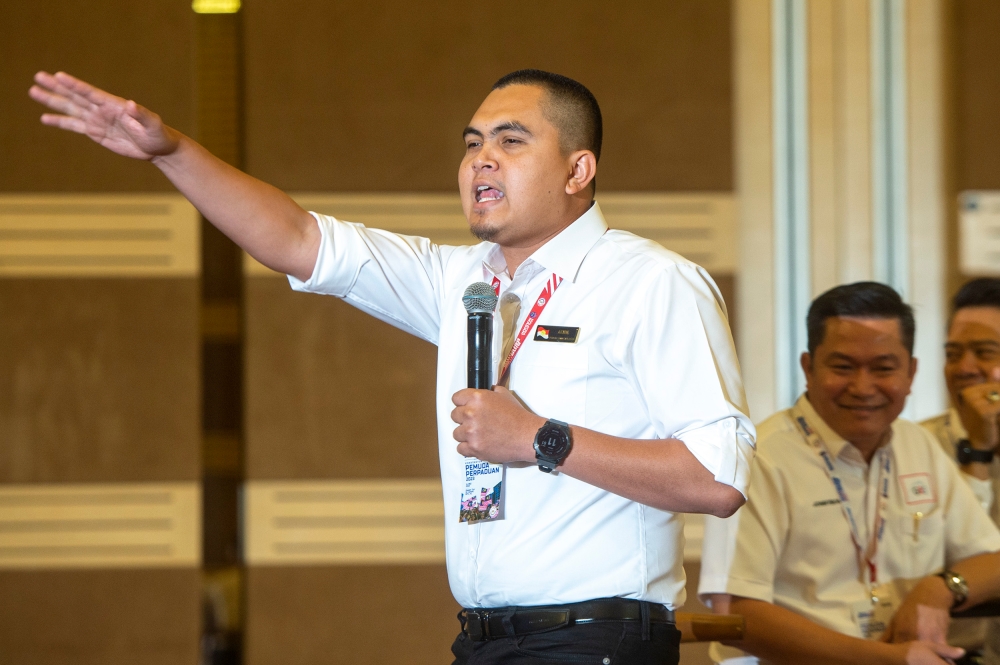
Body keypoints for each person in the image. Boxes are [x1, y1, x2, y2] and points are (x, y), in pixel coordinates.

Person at [30, 68, 756, 664]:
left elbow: (717, 479)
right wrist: (170, 152)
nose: (481, 160)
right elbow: (294, 238)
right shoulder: (461, 281)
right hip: (481, 640)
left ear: (579, 168)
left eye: (510, 141)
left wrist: (540, 439)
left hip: (594, 642)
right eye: (472, 144)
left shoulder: (650, 281)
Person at [698, 282, 1000, 665]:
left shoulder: (916, 444)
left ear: (911, 372)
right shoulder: (763, 458)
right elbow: (735, 611)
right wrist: (885, 659)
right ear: (808, 368)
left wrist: (939, 588)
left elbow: (991, 558)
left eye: (883, 368)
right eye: (843, 367)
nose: (862, 387)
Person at [921, 278, 1000, 663]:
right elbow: (958, 560)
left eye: (984, 352)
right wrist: (977, 452)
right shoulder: (916, 447)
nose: (965, 368)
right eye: (953, 354)